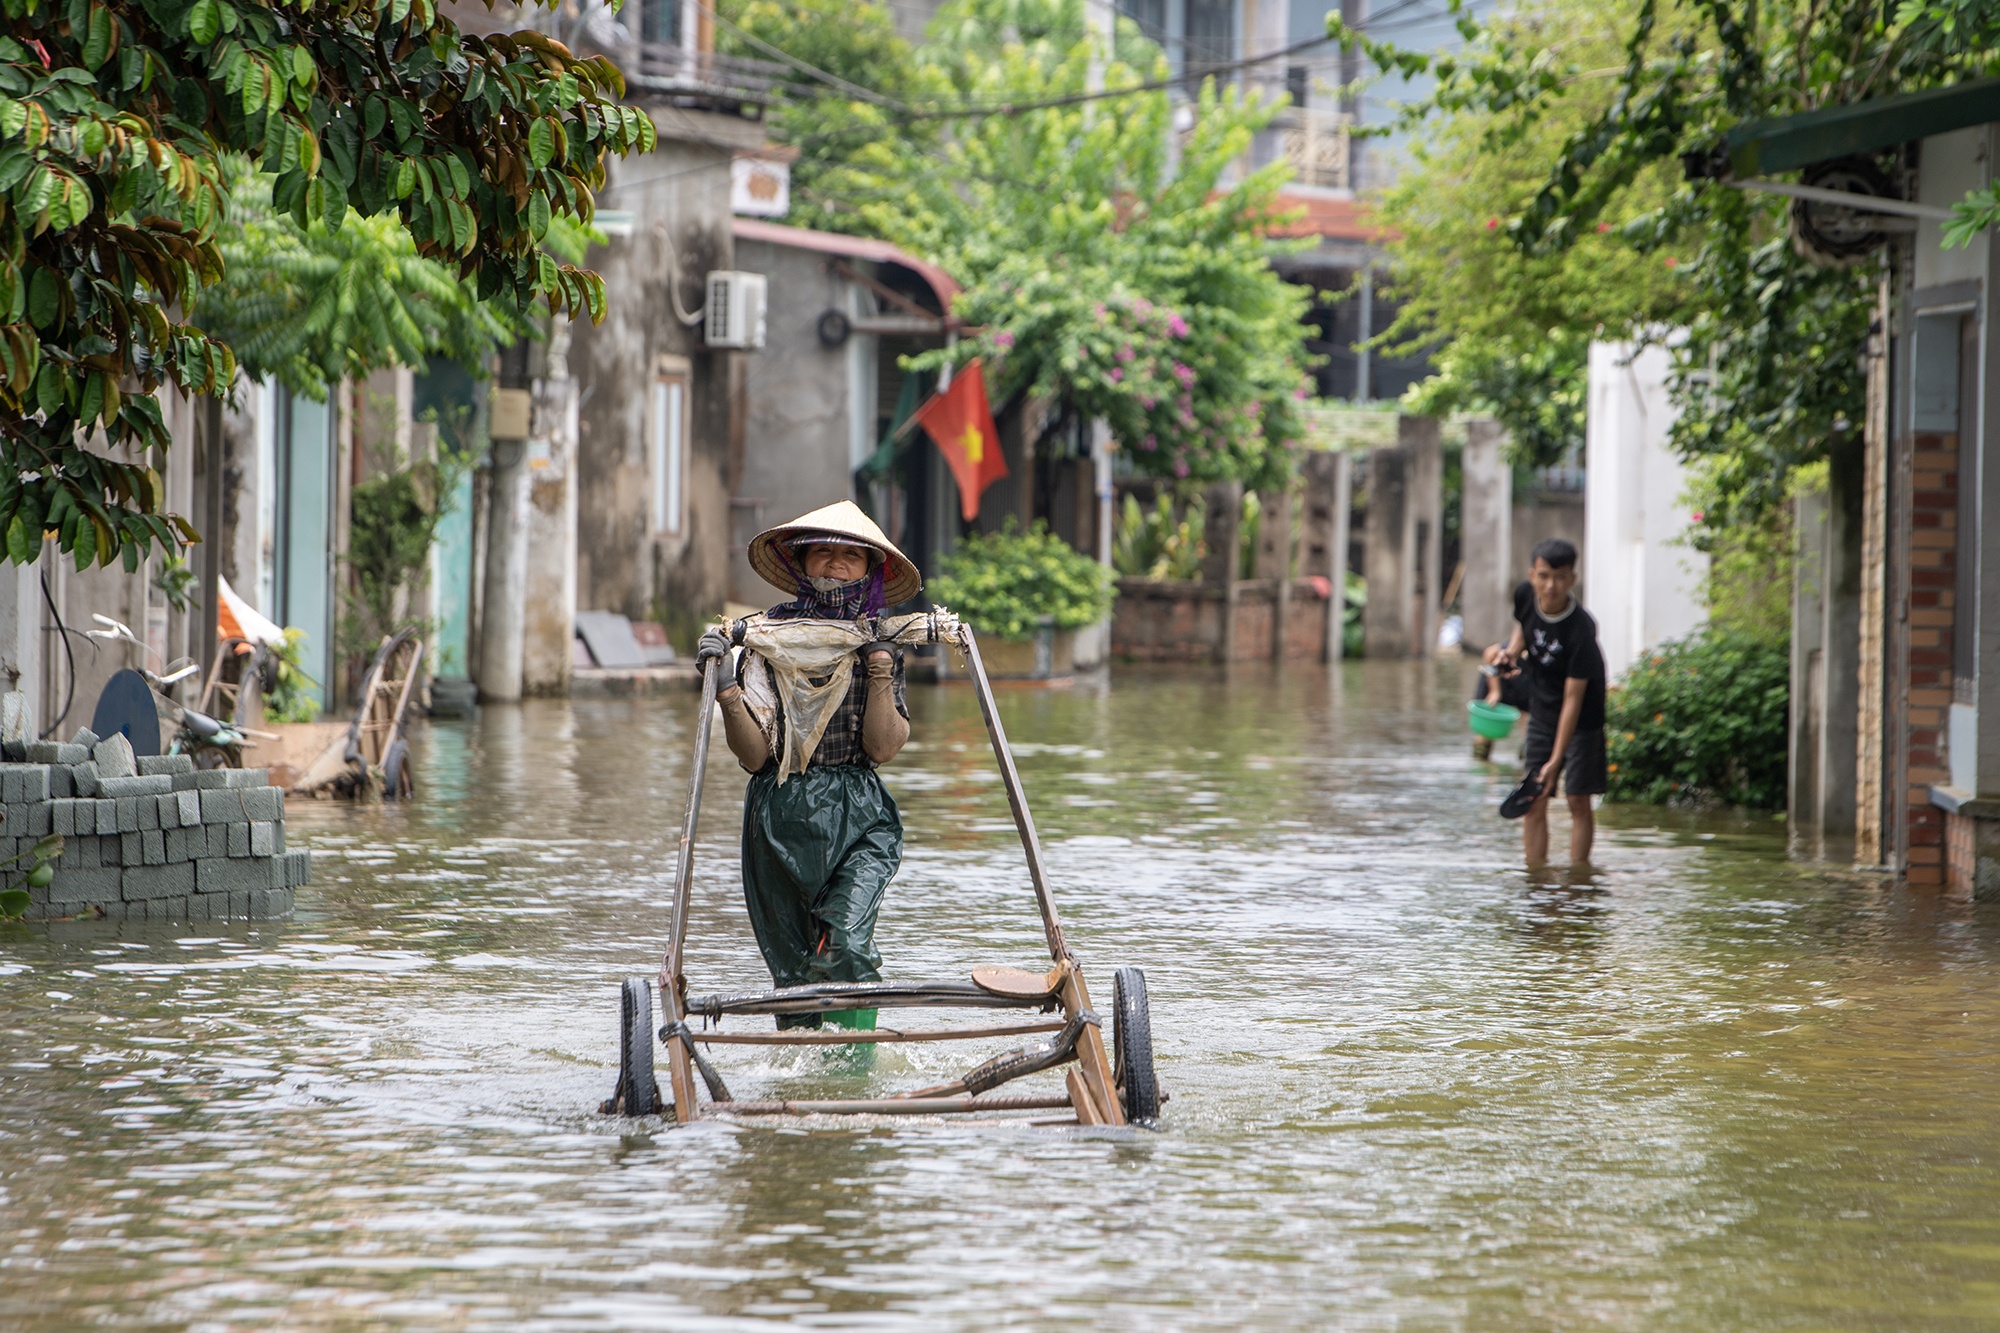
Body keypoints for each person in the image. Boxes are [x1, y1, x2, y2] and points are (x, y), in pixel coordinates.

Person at [693, 502, 922, 1031]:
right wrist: (727, 688)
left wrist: (882, 667)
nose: (836, 565)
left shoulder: (879, 638)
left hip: (860, 812)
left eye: (850, 556)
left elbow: (884, 749)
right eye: (823, 553)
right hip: (779, 813)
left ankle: (858, 1068)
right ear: (802, 564)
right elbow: (754, 757)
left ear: (869, 570)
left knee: (846, 941)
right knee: (796, 976)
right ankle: (807, 1081)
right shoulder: (765, 636)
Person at [1488, 538, 1606, 866]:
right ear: (1532, 575)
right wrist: (1509, 653)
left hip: (1582, 718)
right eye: (1543, 576)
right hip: (1542, 708)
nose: (1550, 586)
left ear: (1572, 579)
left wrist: (1556, 760)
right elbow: (1524, 629)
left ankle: (1578, 880)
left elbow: (1574, 699)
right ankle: (1535, 877)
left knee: (1577, 800)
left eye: (1559, 578)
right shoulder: (1526, 596)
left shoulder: (1581, 628)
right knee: (1534, 797)